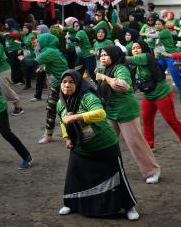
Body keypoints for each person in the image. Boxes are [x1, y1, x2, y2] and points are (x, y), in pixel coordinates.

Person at [56, 70, 139, 220]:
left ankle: (129, 207)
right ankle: (71, 203)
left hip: (104, 144)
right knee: (74, 176)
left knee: (117, 177)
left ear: (78, 83)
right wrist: (67, 138)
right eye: (64, 82)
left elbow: (100, 113)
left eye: (71, 82)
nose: (67, 85)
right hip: (81, 145)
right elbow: (63, 121)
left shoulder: (87, 97)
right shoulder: (60, 102)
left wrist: (76, 117)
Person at [96, 45, 161, 184]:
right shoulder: (106, 68)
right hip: (111, 111)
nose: (102, 57)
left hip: (126, 111)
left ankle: (153, 170)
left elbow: (123, 85)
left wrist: (104, 78)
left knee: (135, 143)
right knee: (106, 141)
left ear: (113, 56)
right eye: (101, 55)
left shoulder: (120, 68)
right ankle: (109, 170)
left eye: (105, 55)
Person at [127, 41, 181, 158]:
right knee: (146, 119)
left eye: (138, 47)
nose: (135, 50)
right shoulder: (136, 65)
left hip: (162, 94)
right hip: (149, 95)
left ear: (143, 49)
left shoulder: (145, 57)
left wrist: (114, 55)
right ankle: (149, 145)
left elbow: (127, 59)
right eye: (133, 48)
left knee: (171, 120)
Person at [25, 34, 69, 144]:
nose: (36, 44)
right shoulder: (51, 50)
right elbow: (54, 63)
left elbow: (30, 63)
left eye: (38, 42)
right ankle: (48, 135)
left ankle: (72, 135)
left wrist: (22, 58)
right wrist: (43, 68)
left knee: (65, 111)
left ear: (45, 41)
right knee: (52, 109)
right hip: (57, 86)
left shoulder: (49, 51)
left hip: (64, 87)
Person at [146, 19, 181, 90]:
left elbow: (155, 36)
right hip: (161, 57)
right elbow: (156, 45)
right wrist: (156, 54)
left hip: (170, 56)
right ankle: (160, 87)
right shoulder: (157, 32)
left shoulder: (166, 31)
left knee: (174, 73)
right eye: (156, 24)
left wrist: (146, 34)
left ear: (163, 25)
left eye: (159, 24)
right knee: (157, 72)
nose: (157, 25)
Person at [3, 18, 24, 85]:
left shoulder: (14, 30)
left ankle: (19, 80)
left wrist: (8, 34)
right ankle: (15, 80)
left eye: (7, 23)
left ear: (10, 24)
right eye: (5, 23)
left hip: (15, 51)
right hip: (11, 51)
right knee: (13, 66)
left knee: (16, 66)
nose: (5, 24)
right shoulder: (9, 30)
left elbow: (17, 34)